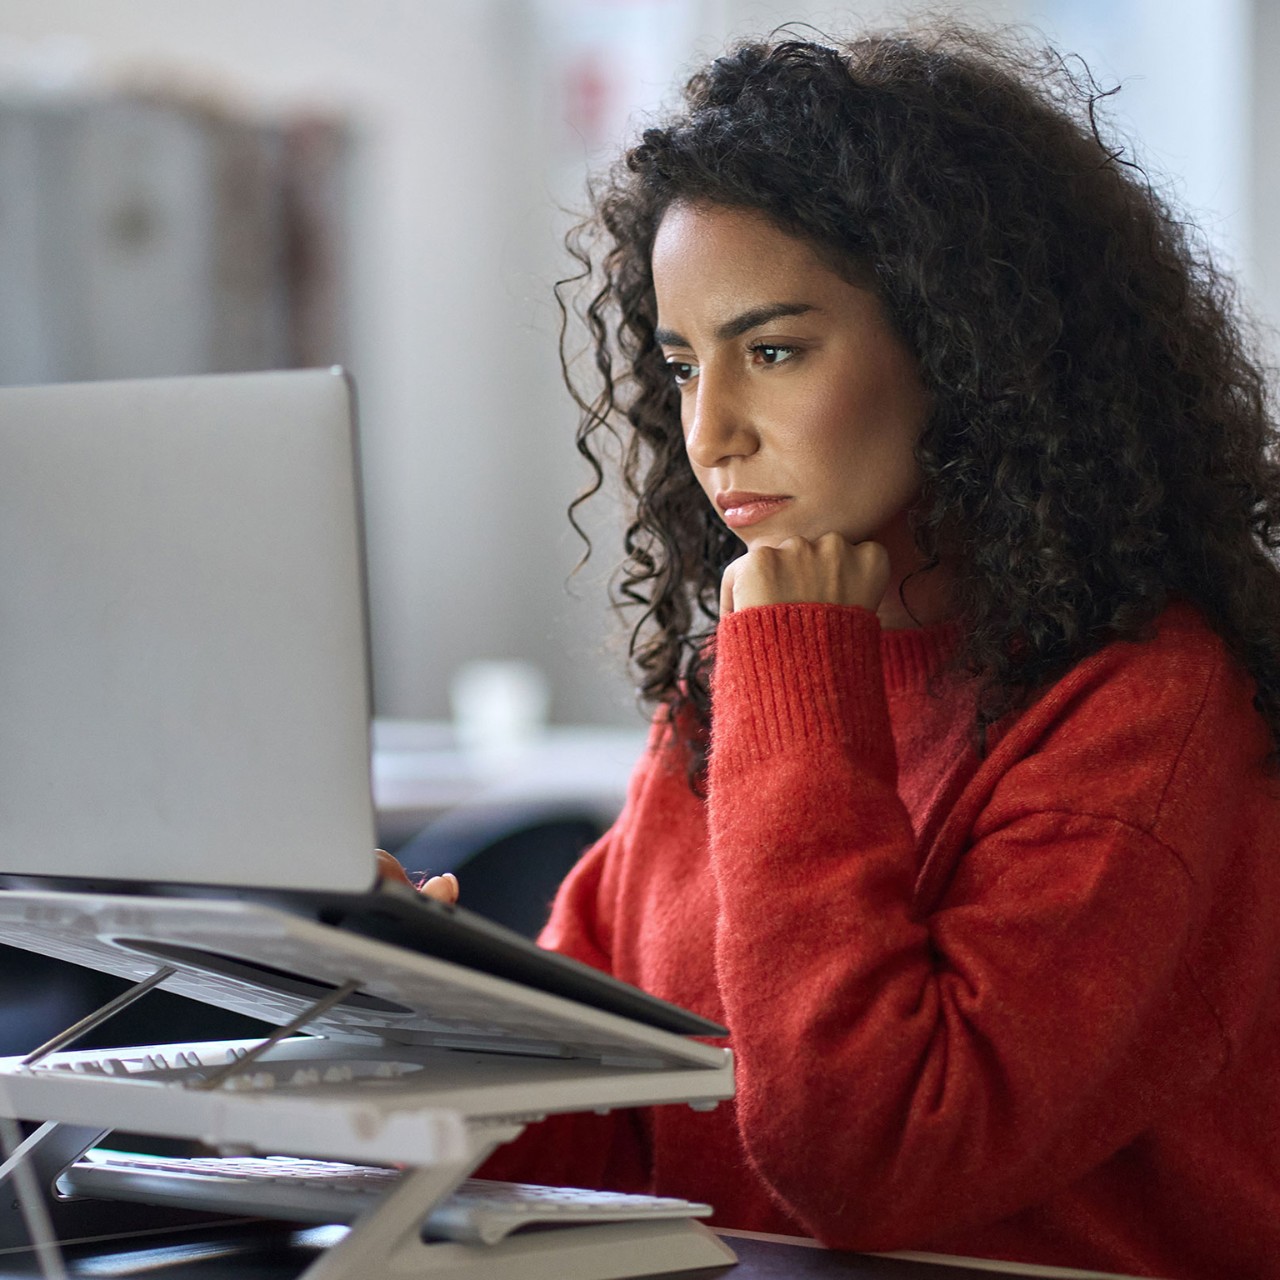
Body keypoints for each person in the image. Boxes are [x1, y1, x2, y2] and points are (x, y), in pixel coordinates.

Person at [394, 24, 1280, 1279]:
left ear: (966, 351)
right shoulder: (732, 694)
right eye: (678, 362)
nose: (709, 431)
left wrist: (799, 672)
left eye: (771, 351)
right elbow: (601, 1138)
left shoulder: (1152, 708)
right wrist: (406, 996)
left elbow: (873, 1161)